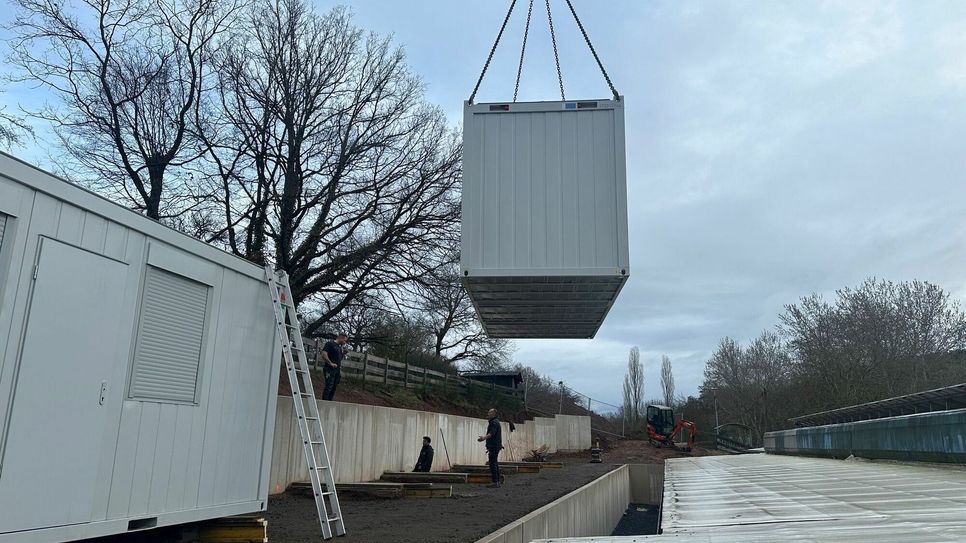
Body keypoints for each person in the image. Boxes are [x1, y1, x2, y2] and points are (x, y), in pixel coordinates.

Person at [477, 408, 503, 488]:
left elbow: (491, 433)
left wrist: (483, 438)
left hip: (494, 446)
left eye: (490, 412)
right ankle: (498, 481)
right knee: (495, 463)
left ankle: (495, 482)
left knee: (493, 464)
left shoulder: (494, 423)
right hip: (496, 446)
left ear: (494, 414)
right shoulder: (496, 422)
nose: (488, 414)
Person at [320, 333, 348, 401]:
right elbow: (324, 354)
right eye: (344, 340)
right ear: (341, 337)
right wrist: (330, 363)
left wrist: (343, 354)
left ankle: (330, 401)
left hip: (337, 370)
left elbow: (338, 359)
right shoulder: (330, 344)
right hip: (329, 368)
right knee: (329, 385)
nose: (345, 342)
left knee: (334, 386)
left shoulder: (339, 347)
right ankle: (325, 401)